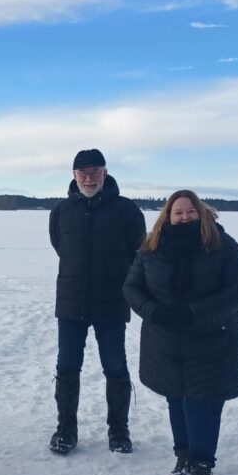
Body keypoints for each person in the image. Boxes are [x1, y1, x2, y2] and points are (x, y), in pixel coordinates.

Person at [123, 190, 238, 475]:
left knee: (203, 403)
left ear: (202, 213)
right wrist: (154, 312)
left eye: (190, 212)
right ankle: (183, 456)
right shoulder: (151, 247)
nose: (184, 217)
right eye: (178, 212)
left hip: (212, 340)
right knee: (176, 400)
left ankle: (202, 465)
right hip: (165, 340)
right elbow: (132, 287)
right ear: (167, 216)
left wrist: (195, 313)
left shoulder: (222, 245)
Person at [48, 148, 146, 455]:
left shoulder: (127, 210)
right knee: (67, 365)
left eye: (95, 172)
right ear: (74, 176)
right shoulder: (61, 211)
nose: (89, 179)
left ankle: (119, 431)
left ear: (105, 173)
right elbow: (60, 246)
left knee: (115, 366)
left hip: (112, 302)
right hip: (71, 301)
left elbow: (138, 254)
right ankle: (66, 430)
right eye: (83, 173)